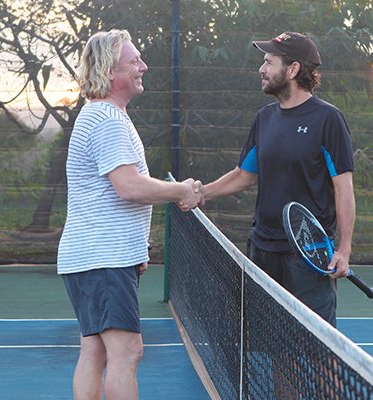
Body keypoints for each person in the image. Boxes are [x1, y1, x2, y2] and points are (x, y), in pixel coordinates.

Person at [57, 29, 203, 400]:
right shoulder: (107, 120)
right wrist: (181, 191)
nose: (144, 66)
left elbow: (116, 192)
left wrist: (137, 249)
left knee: (97, 350)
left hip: (98, 257)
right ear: (110, 72)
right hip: (102, 258)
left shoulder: (102, 116)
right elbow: (130, 186)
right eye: (134, 61)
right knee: (127, 351)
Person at [203, 31, 356, 327]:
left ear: (293, 69)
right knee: (272, 345)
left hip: (308, 255)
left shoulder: (328, 120)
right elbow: (243, 176)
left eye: (269, 62)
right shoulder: (264, 118)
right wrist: (199, 194)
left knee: (313, 347)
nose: (262, 69)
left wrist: (344, 250)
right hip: (263, 251)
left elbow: (343, 188)